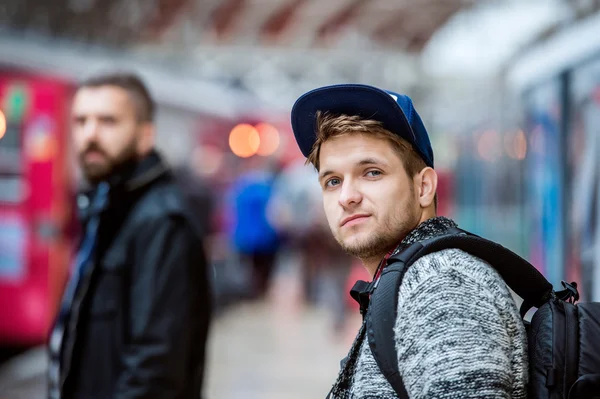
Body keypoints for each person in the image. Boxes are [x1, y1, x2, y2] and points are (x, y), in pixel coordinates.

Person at [290, 84, 528, 398]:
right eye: (333, 181)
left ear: (424, 187)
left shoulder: (444, 285)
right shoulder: (408, 280)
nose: (346, 197)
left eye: (372, 172)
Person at [47, 72, 212, 399]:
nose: (90, 134)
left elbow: (154, 368)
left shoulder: (162, 223)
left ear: (145, 135)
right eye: (81, 121)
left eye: (108, 121)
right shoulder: (104, 207)